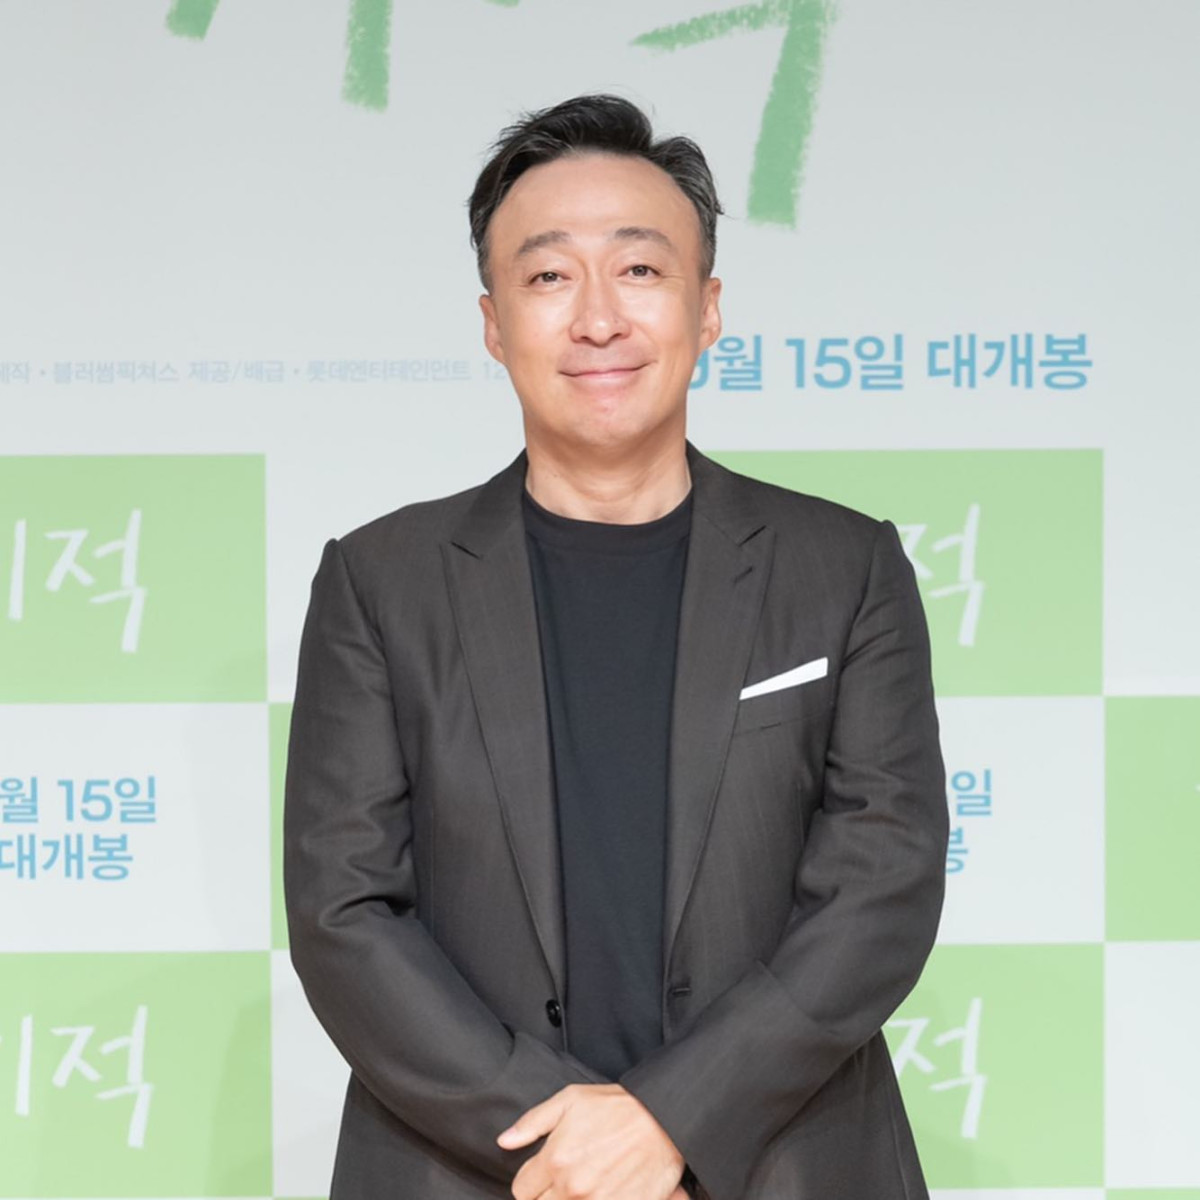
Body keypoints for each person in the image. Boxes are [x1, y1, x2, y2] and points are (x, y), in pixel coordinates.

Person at [284, 93, 948, 1200]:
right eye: (549, 276)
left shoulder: (843, 567)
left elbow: (882, 887)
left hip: (781, 1161)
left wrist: (673, 1118)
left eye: (639, 269)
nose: (598, 318)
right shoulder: (380, 582)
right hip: (478, 1166)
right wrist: (571, 1145)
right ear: (494, 323)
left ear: (708, 307)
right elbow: (343, 911)